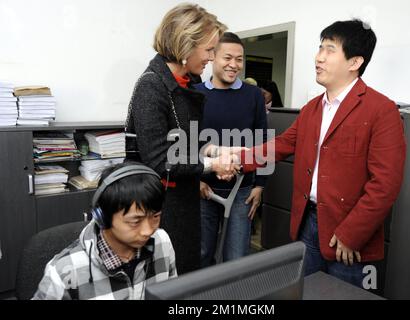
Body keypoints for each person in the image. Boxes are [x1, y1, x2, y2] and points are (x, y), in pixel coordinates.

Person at [238, 19, 406, 288]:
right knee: (306, 291)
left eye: (329, 50)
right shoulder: (312, 109)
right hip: (308, 224)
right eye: (320, 48)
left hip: (349, 238)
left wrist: (351, 234)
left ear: (354, 62)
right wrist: (237, 159)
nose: (318, 57)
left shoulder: (381, 111)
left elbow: (385, 185)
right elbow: (281, 145)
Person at [124, 4, 235, 275]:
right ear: (186, 44)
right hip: (159, 208)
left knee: (185, 272)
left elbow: (188, 143)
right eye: (209, 50)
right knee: (165, 279)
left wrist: (217, 150)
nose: (212, 57)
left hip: (183, 200)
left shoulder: (185, 83)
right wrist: (212, 166)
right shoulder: (152, 86)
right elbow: (161, 160)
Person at [33, 162, 177, 300]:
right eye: (135, 221)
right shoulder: (63, 271)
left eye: (156, 217)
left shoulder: (162, 241)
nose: (148, 230)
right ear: (103, 218)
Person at [194, 32, 267, 266]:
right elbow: (188, 142)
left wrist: (260, 184)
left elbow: (262, 141)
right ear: (213, 56)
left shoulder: (254, 95)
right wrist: (196, 179)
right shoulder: (195, 94)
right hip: (204, 189)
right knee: (203, 253)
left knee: (236, 257)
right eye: (228, 57)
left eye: (239, 59)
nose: (234, 65)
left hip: (242, 190)